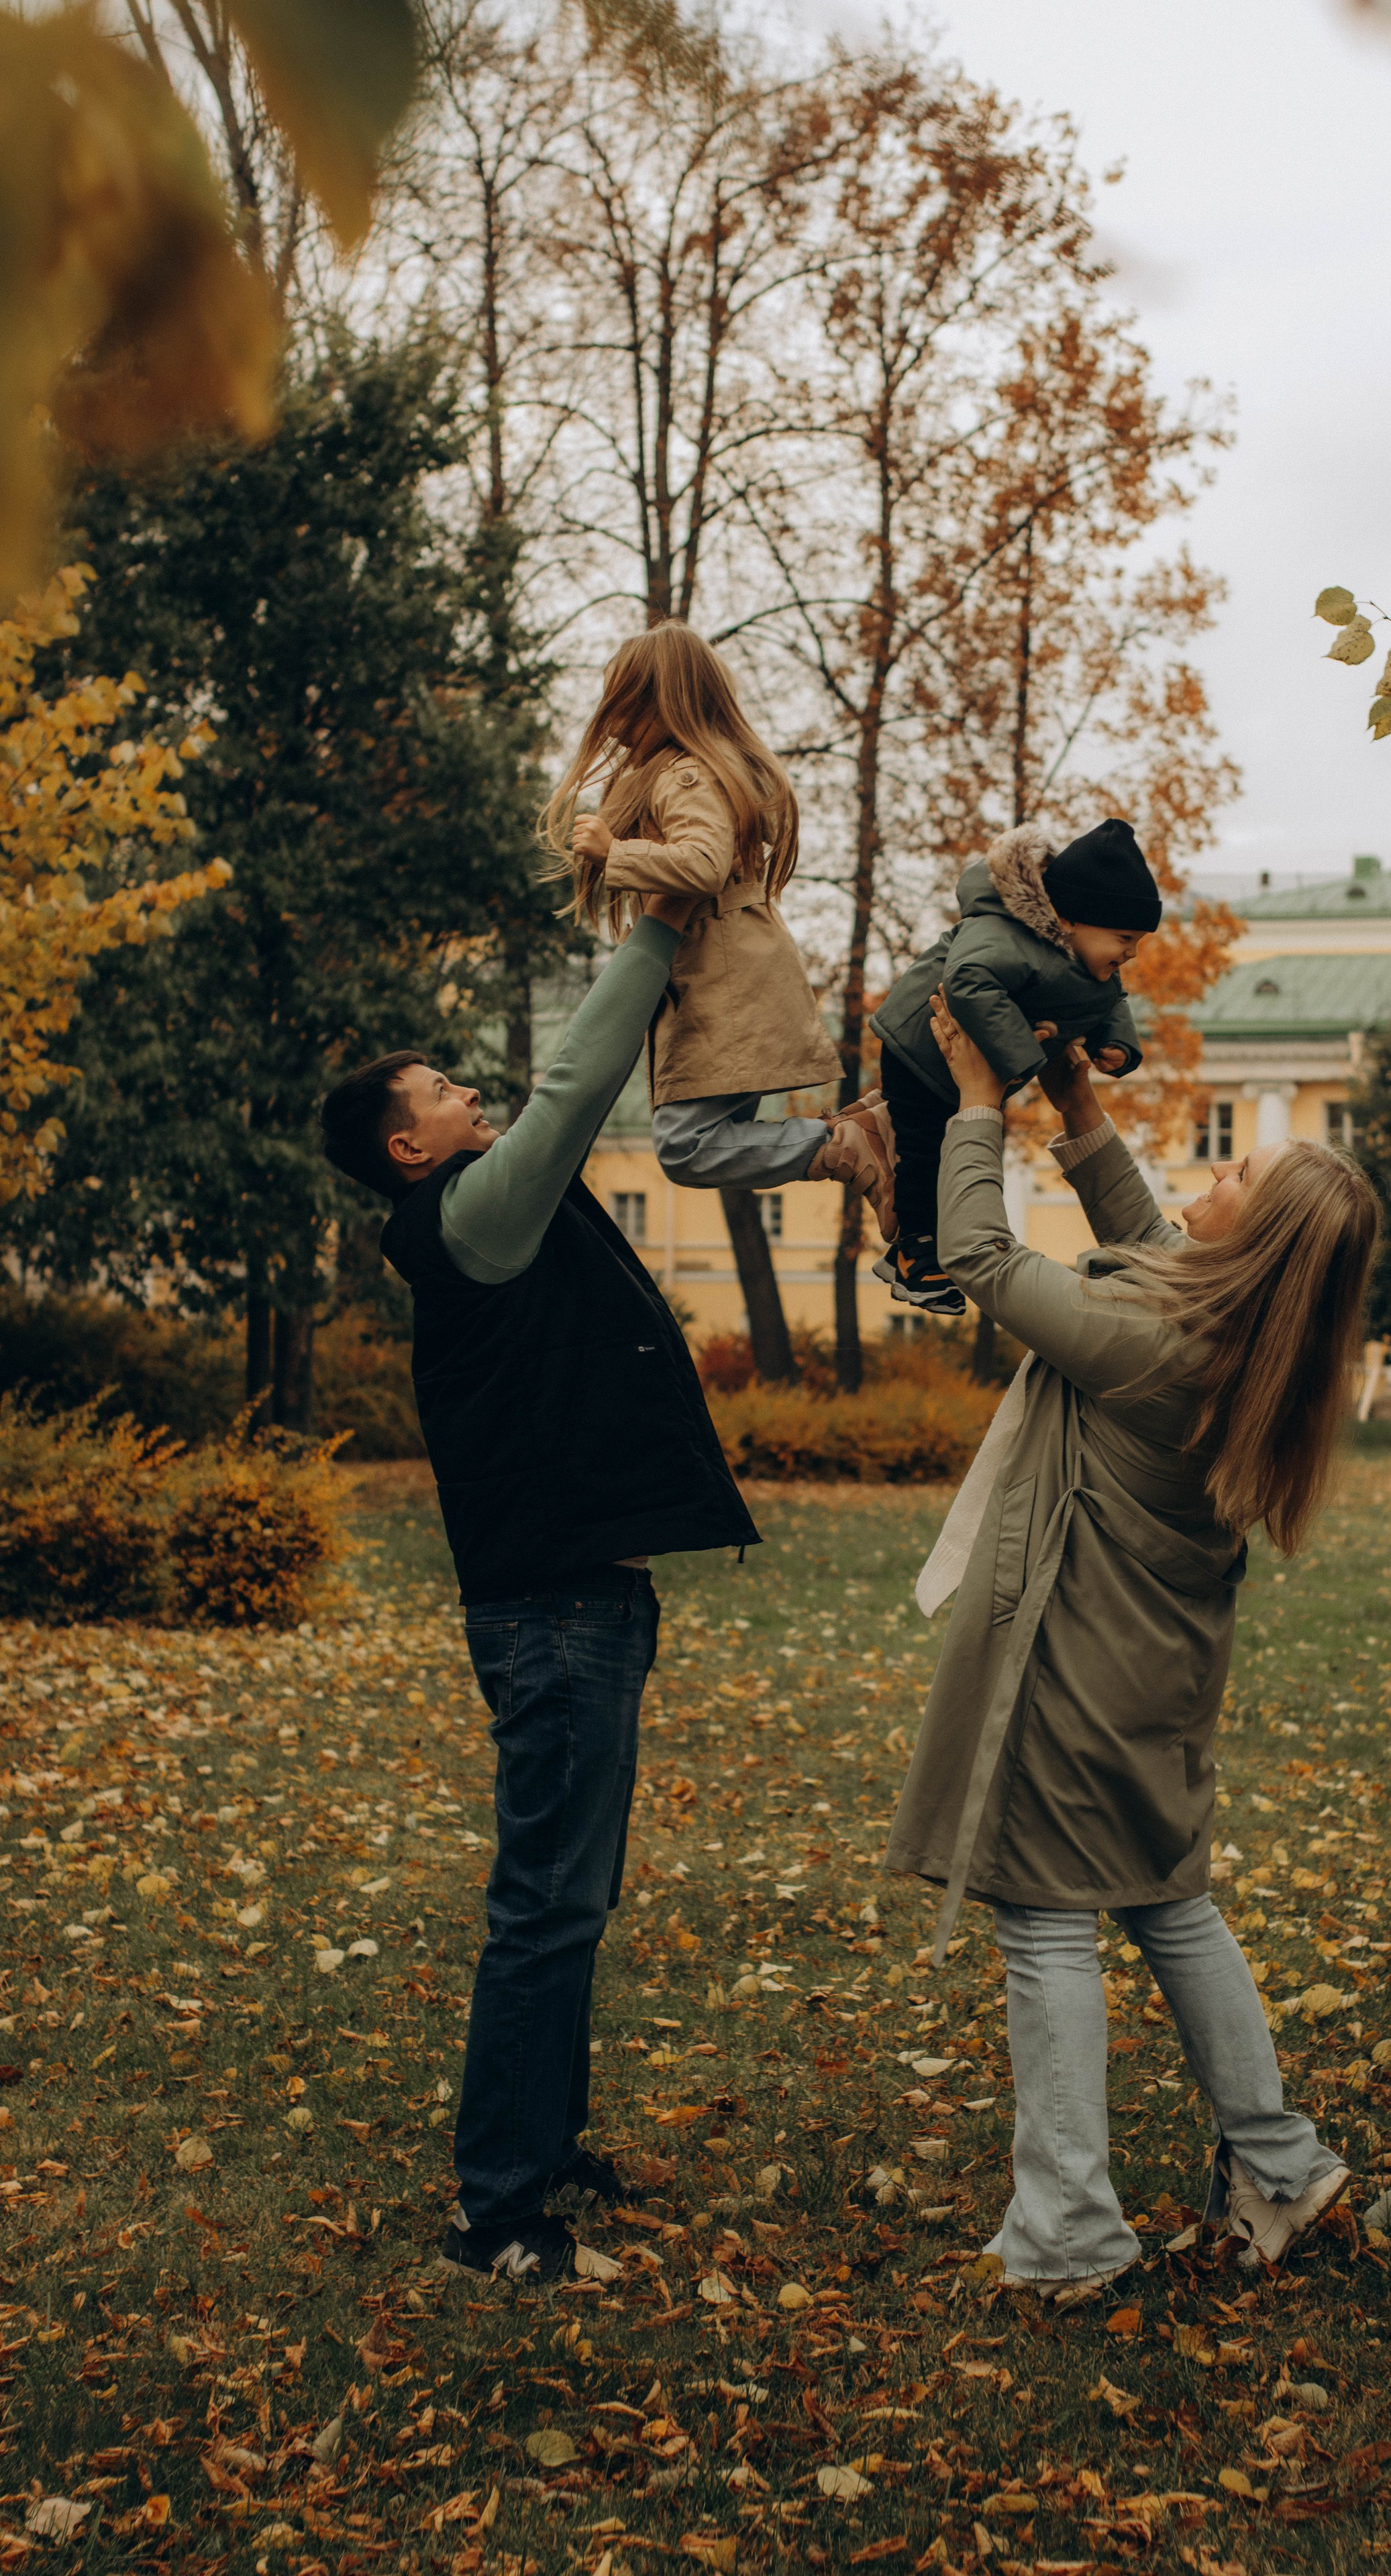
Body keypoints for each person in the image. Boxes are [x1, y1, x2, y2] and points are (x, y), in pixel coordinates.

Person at [886, 1003, 1381, 2297]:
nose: (1211, 1175)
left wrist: (981, 1101)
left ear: (1257, 1237)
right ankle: (1278, 2165)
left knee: (1046, 1926)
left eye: (1236, 1177)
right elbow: (1151, 1234)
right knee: (1172, 1903)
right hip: (1161, 1686)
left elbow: (986, 1261)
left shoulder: (1150, 1344)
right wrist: (1077, 1103)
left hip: (1080, 1680)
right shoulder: (1237, 1341)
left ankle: (1069, 2234)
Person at [319, 889, 760, 2288]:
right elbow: (575, 1086)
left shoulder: (476, 1219)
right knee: (545, 1906)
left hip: (585, 1605)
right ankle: (497, 2216)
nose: (473, 1094)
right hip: (554, 1613)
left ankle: (543, 2145)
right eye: (447, 1091)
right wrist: (656, 923)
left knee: (574, 1896)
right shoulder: (462, 1219)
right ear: (411, 1147)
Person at [541, 623, 894, 1232]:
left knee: (685, 1147)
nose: (612, 719)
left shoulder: (687, 775)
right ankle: (857, 1136)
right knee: (699, 1141)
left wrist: (613, 853)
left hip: (726, 990)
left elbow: (703, 864)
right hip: (725, 983)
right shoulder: (693, 772)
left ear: (661, 699)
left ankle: (847, 1142)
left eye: (623, 701)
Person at [868, 818, 1155, 1315]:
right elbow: (966, 982)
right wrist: (1022, 1056)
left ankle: (875, 1144)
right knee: (926, 1153)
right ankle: (914, 1255)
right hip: (919, 1049)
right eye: (1125, 938)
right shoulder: (1001, 932)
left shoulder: (1085, 962)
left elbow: (1110, 1001)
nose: (1130, 954)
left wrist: (1119, 1046)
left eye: (1137, 943)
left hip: (974, 1068)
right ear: (1072, 921)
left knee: (963, 1149)